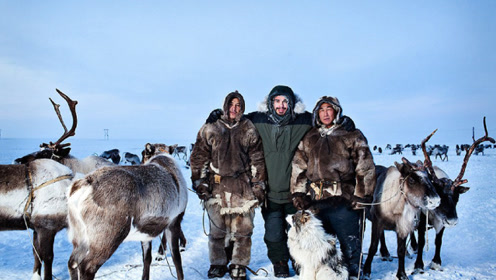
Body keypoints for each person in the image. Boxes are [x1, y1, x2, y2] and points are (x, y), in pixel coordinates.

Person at [207, 85, 355, 278]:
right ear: (270, 103)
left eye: (285, 102)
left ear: (292, 104)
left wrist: (343, 121)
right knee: (273, 234)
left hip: (297, 193)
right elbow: (236, 118)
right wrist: (218, 115)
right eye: (277, 101)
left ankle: (302, 263)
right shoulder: (258, 120)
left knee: (302, 232)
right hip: (271, 193)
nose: (281, 105)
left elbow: (324, 119)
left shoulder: (302, 121)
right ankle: (280, 263)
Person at [290, 96, 376, 280]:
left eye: (329, 109)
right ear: (316, 113)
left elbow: (365, 166)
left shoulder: (351, 134)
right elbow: (299, 167)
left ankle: (353, 274)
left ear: (336, 111)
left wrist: (362, 195)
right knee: (322, 246)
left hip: (343, 200)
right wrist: (298, 192)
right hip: (316, 202)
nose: (326, 113)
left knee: (348, 242)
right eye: (322, 110)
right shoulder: (310, 137)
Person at [190, 91, 267, 280]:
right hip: (217, 186)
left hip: (243, 187)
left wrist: (258, 185)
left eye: (238, 106)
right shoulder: (211, 127)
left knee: (243, 230)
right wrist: (200, 183)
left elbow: (257, 158)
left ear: (242, 108)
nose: (235, 109)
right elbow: (199, 156)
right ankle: (217, 263)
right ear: (226, 106)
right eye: (232, 105)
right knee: (217, 230)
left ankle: (239, 264)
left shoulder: (248, 128)